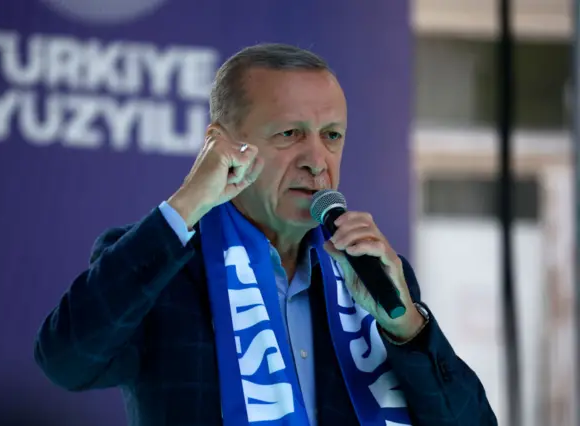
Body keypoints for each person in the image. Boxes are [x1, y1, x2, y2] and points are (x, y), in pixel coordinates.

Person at [34, 43, 497, 426]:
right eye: (291, 133)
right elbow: (66, 361)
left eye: (332, 135)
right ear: (222, 145)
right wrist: (187, 205)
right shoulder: (161, 265)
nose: (317, 160)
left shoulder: (370, 272)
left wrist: (407, 327)